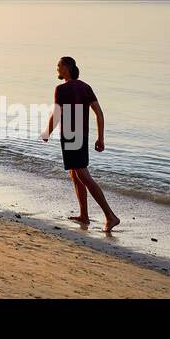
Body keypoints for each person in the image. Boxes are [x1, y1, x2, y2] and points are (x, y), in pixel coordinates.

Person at [41, 56, 120, 232]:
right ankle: (84, 215)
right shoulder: (85, 87)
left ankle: (110, 216)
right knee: (75, 175)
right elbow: (99, 113)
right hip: (81, 136)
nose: (57, 68)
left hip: (70, 136)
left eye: (59, 66)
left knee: (83, 175)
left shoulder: (61, 89)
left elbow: (57, 114)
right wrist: (100, 138)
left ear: (67, 68)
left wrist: (47, 132)